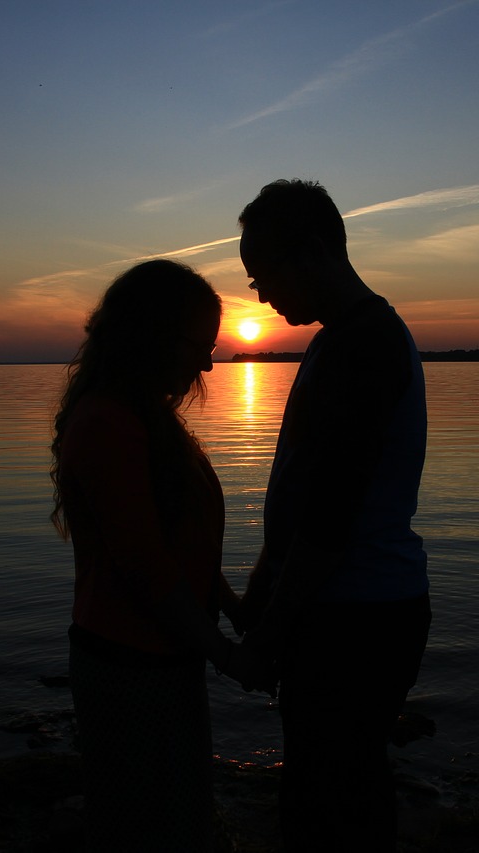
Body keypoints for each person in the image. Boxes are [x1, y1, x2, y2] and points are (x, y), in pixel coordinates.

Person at [236, 179, 432, 851]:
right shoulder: (339, 338)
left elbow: (330, 518)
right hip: (349, 608)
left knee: (333, 803)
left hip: (359, 617)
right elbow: (301, 498)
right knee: (332, 784)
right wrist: (260, 597)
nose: (260, 295)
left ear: (312, 252)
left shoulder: (364, 345)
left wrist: (269, 633)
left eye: (263, 275)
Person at [50, 258, 254, 851]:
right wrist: (225, 654)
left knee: (178, 814)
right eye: (200, 345)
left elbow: (176, 540)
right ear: (155, 335)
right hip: (127, 661)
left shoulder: (146, 417)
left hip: (166, 651)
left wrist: (232, 609)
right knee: (146, 825)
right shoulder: (107, 424)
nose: (208, 363)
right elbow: (143, 564)